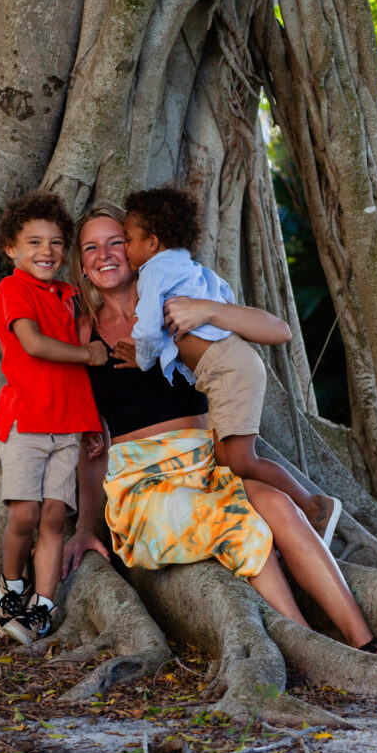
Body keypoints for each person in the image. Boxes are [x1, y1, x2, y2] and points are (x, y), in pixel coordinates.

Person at [63, 203, 377, 655]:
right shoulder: (82, 331)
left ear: (142, 247)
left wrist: (208, 311)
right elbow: (90, 441)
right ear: (81, 263)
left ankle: (368, 643)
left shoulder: (178, 298)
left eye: (115, 242)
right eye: (91, 247)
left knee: (278, 506)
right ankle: (313, 647)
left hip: (205, 464)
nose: (105, 254)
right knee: (237, 522)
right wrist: (85, 525)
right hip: (143, 485)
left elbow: (276, 330)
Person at [123, 186, 341, 546]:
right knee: (225, 459)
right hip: (227, 367)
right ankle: (272, 523)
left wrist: (142, 359)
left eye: (128, 239)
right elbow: (222, 300)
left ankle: (315, 508)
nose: (126, 248)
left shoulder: (154, 272)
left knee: (240, 461)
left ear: (152, 242)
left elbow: (147, 329)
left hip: (227, 368)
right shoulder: (193, 270)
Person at [0, 190, 107, 645]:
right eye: (34, 242)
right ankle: (11, 589)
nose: (46, 252)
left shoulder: (69, 296)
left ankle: (42, 607)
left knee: (55, 517)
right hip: (25, 424)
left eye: (56, 243)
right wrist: (87, 353)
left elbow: (76, 380)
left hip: (68, 426)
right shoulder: (12, 289)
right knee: (24, 514)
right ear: (11, 249)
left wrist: (91, 422)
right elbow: (33, 345)